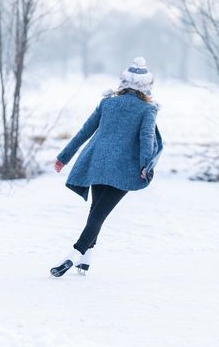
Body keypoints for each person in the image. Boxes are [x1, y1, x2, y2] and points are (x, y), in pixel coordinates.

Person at [50, 57, 163, 277]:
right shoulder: (147, 109)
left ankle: (85, 260)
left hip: (97, 163)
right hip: (124, 169)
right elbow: (147, 138)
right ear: (146, 86)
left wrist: (63, 157)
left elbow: (85, 131)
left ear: (123, 82)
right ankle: (74, 256)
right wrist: (145, 166)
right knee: (98, 215)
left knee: (96, 212)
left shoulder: (107, 102)